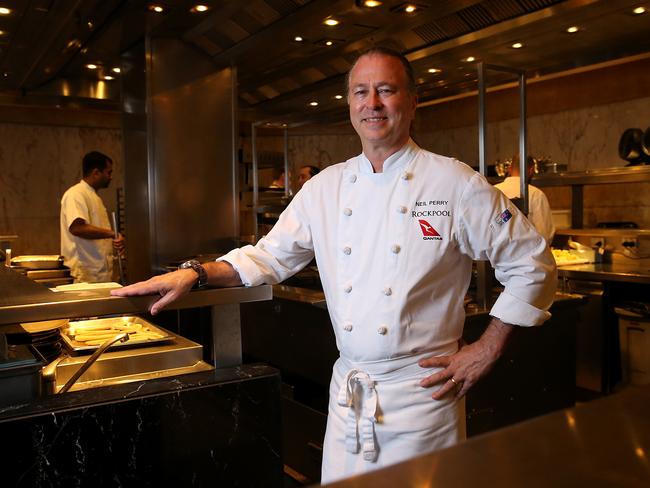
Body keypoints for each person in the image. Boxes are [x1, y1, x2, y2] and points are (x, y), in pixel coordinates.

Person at [112, 47, 556, 483]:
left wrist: (487, 348)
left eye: (386, 90)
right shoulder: (326, 187)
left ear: (413, 100)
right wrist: (198, 272)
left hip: (424, 397)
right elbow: (268, 256)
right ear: (349, 103)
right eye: (361, 92)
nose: (373, 104)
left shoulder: (454, 182)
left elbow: (532, 262)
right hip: (348, 394)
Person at [60, 151, 125, 283]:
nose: (111, 177)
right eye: (109, 172)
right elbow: (77, 228)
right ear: (96, 173)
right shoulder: (76, 194)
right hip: (84, 275)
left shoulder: (94, 196)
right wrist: (112, 233)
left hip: (98, 273)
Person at [495, 156, 555, 244]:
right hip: (527, 254)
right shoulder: (536, 194)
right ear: (531, 170)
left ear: (510, 169)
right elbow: (544, 235)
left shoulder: (493, 191)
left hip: (495, 255)